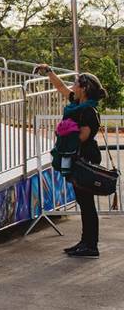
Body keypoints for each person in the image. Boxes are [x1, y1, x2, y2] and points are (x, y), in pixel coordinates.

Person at [37, 65, 108, 258]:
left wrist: (64, 131)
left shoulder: (88, 111)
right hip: (75, 158)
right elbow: (61, 88)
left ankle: (91, 245)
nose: (72, 86)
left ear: (83, 88)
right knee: (83, 201)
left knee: (86, 203)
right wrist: (49, 71)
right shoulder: (77, 105)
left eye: (76, 83)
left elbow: (83, 136)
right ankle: (85, 242)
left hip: (84, 159)